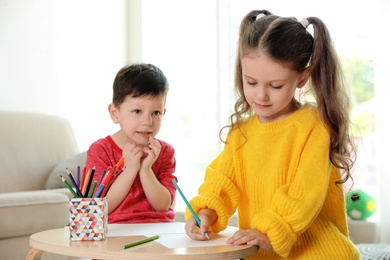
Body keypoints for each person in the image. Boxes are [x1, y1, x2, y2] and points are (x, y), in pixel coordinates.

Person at [184, 9, 360, 259]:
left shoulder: (313, 126)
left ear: (302, 77)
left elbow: (304, 194)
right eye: (251, 82)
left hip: (317, 251)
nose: (260, 96)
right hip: (259, 252)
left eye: (276, 86)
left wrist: (269, 232)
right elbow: (222, 184)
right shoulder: (240, 133)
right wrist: (205, 215)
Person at [86, 63, 177, 224]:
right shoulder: (101, 150)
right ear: (115, 113)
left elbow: (163, 206)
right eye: (137, 111)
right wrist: (130, 169)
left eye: (156, 113)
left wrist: (146, 170)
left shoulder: (165, 152)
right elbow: (99, 208)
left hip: (159, 230)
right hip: (116, 232)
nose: (148, 121)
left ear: (163, 112)